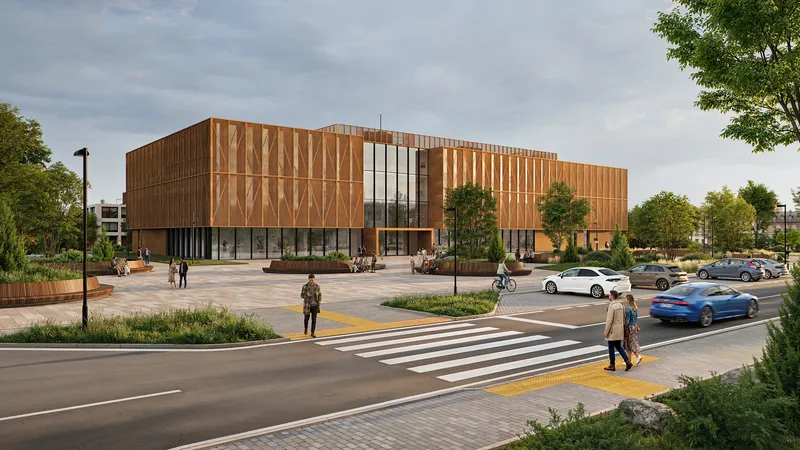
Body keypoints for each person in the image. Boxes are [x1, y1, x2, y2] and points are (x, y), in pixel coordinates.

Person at [604, 290, 633, 372]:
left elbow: (609, 321)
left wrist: (606, 331)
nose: (609, 296)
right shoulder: (621, 305)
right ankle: (627, 361)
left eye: (610, 295)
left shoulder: (612, 306)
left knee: (611, 347)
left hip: (613, 330)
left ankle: (612, 365)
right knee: (618, 346)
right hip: (620, 329)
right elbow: (624, 318)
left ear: (612, 296)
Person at [623, 294, 643, 366]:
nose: (625, 300)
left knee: (629, 343)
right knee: (632, 342)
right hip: (634, 326)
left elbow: (627, 320)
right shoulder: (635, 308)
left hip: (630, 327)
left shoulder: (628, 309)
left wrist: (625, 327)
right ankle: (629, 360)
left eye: (626, 298)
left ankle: (637, 356)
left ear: (628, 299)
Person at [301, 274, 322, 338]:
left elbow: (320, 295)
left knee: (314, 319)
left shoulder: (317, 286)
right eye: (310, 280)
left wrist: (319, 302)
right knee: (306, 318)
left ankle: (313, 332)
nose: (311, 281)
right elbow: (301, 295)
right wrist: (307, 295)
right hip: (307, 305)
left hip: (315, 305)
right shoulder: (305, 286)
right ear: (308, 279)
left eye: (312, 280)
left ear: (314, 279)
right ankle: (306, 328)